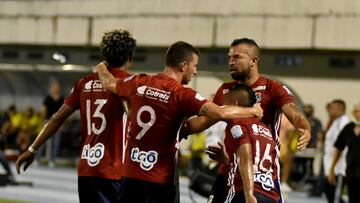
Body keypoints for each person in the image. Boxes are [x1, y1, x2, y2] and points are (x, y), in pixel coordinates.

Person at [94, 41, 263, 203]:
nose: (195, 71)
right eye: (194, 66)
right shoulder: (182, 94)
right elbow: (219, 112)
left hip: (130, 176)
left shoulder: (139, 81)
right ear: (183, 66)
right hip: (160, 179)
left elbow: (109, 83)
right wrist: (253, 111)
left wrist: (101, 67)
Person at [16, 29, 136, 203]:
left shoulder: (84, 83)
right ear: (129, 57)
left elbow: (56, 118)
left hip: (87, 169)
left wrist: (32, 148)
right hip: (114, 170)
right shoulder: (131, 83)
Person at [202, 38, 311, 203]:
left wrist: (305, 129)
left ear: (254, 61)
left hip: (263, 172)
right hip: (230, 169)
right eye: (229, 57)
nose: (231, 62)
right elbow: (204, 120)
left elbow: (296, 115)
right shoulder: (225, 90)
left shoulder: (273, 88)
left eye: (237, 57)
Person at [222, 83, 279, 203]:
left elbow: (245, 158)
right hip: (270, 194)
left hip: (244, 191)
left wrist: (249, 195)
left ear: (235, 104)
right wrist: (224, 159)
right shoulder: (266, 130)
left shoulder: (237, 125)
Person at [328, 101, 360, 203]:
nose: (356, 113)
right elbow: (338, 148)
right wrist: (332, 168)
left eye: (358, 111)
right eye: (355, 111)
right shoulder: (349, 128)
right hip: (351, 171)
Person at [323, 99, 349, 203]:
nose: (330, 110)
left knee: (335, 198)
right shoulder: (335, 122)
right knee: (330, 194)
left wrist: (332, 169)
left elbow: (341, 148)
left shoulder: (343, 123)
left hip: (338, 167)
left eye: (332, 108)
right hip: (330, 164)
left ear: (340, 110)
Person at [38, 79, 64, 167]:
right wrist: (43, 122)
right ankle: (38, 158)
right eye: (54, 87)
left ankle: (52, 160)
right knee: (42, 140)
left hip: (58, 123)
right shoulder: (48, 98)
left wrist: (62, 124)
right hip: (48, 121)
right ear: (51, 88)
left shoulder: (62, 99)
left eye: (57, 87)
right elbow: (43, 110)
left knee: (56, 142)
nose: (56, 89)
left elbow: (64, 112)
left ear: (59, 88)